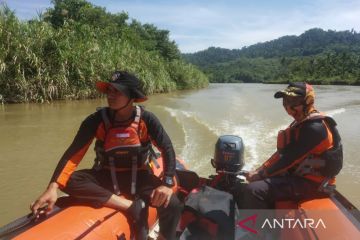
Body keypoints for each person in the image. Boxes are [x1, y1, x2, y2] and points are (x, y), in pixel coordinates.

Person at [30, 70, 183, 240]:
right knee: (70, 180)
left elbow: (167, 149)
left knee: (174, 205)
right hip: (106, 175)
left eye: (117, 91)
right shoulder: (95, 120)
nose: (110, 95)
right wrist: (52, 187)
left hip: (140, 176)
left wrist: (167, 183)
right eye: (109, 90)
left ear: (132, 96)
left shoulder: (147, 120)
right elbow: (73, 154)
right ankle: (131, 206)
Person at [242, 82, 343, 209]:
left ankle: (263, 228)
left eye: (294, 102)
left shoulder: (314, 128)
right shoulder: (302, 122)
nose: (289, 108)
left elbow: (288, 159)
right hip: (299, 178)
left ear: (308, 101)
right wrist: (259, 170)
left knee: (254, 190)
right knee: (258, 182)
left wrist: (260, 175)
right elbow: (282, 154)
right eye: (285, 102)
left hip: (315, 185)